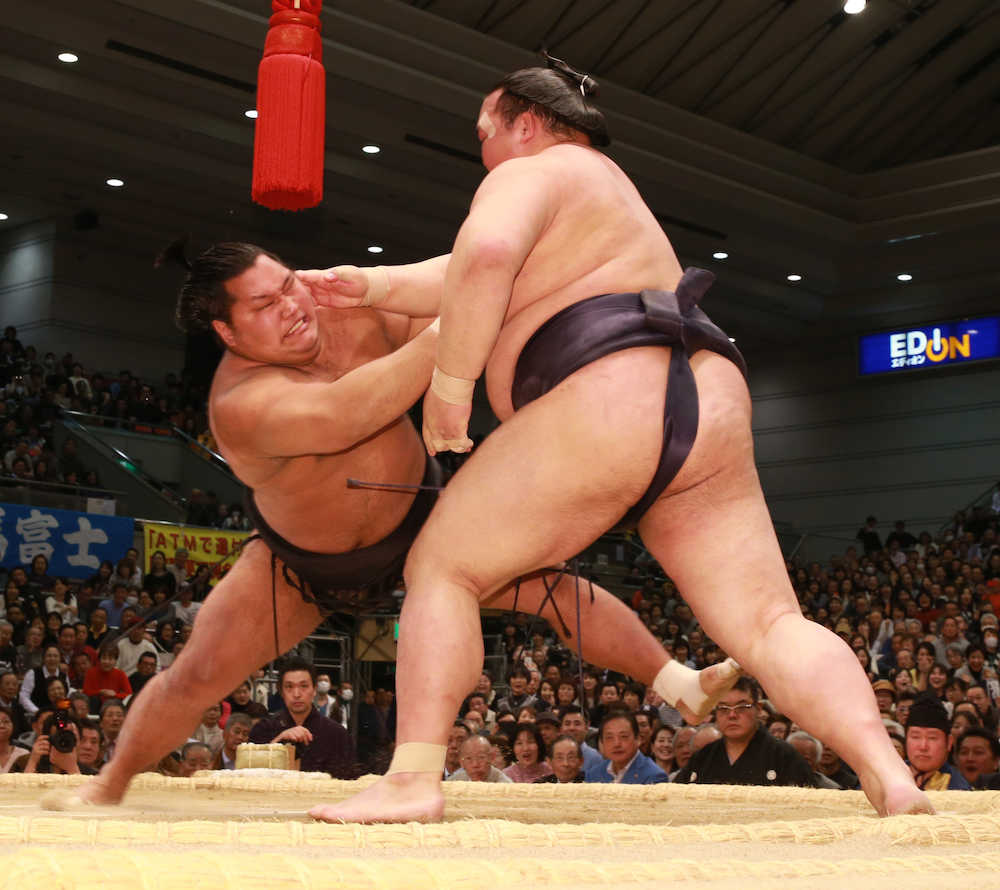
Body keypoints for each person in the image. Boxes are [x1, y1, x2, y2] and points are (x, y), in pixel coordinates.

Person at [299, 58, 927, 821]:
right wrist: (367, 285)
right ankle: (888, 775)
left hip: (608, 392)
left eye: (485, 132)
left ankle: (411, 781)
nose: (483, 151)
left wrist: (451, 391)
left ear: (525, 122)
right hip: (703, 395)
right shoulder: (599, 191)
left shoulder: (535, 169)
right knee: (769, 623)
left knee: (444, 566)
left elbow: (487, 255)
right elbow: (466, 268)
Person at [63, 240, 736, 812]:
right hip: (301, 565)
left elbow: (457, 283)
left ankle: (676, 680)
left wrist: (471, 293)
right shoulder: (239, 404)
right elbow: (347, 411)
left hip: (422, 524)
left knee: (548, 587)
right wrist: (457, 325)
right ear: (229, 333)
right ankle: (109, 785)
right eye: (265, 307)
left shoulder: (351, 303)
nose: (293, 306)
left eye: (289, 285)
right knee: (197, 674)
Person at [674, 679, 816, 788]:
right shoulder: (703, 757)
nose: (732, 715)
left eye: (742, 707)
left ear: (758, 708)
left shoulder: (783, 756)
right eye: (723, 708)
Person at [248, 657, 355, 777]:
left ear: (314, 690)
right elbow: (250, 776)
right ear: (281, 692)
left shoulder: (337, 734)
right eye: (289, 687)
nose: (296, 694)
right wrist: (278, 742)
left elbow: (346, 783)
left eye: (304, 686)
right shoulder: (263, 729)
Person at [904, 694, 970, 791]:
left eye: (932, 738)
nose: (923, 746)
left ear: (949, 743)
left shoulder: (958, 789)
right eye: (915, 737)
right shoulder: (889, 775)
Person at [584, 711, 667, 784]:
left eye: (623, 736)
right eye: (609, 737)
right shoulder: (593, 774)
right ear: (601, 742)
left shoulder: (654, 776)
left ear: (638, 739)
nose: (616, 744)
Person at [446, 734, 511, 783]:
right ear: (461, 762)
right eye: (469, 758)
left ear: (491, 758)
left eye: (481, 757)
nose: (475, 764)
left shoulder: (505, 785)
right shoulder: (454, 782)